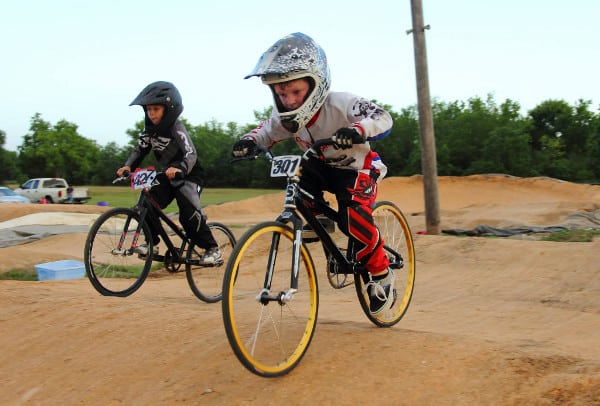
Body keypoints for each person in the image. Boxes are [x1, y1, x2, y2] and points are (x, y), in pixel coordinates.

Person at [232, 33, 394, 315]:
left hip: (358, 168)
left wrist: (357, 130)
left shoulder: (342, 103)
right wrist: (248, 141)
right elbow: (266, 131)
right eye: (282, 94)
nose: (290, 101)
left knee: (353, 217)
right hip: (321, 167)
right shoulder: (287, 118)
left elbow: (383, 117)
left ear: (316, 83)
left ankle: (382, 274)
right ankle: (319, 220)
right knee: (297, 181)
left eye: (296, 92)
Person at [117, 81, 221, 264]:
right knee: (146, 203)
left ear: (169, 109)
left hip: (189, 174)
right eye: (148, 109)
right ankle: (152, 242)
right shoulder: (148, 131)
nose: (151, 113)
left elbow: (191, 153)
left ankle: (212, 248)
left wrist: (180, 168)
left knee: (188, 214)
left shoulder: (176, 127)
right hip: (167, 175)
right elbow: (140, 150)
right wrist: (128, 167)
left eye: (156, 109)